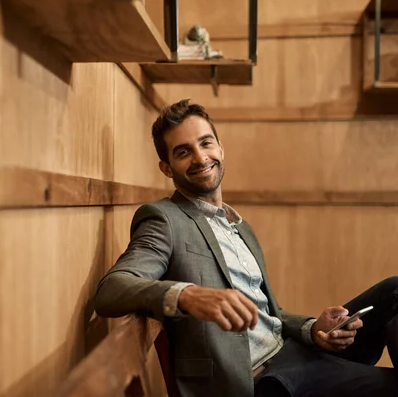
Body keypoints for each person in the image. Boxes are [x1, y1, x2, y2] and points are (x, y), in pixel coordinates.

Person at [94, 99, 398, 397]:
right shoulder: (164, 219)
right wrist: (186, 294)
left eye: (206, 143)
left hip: (295, 352)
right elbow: (112, 289)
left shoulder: (239, 226)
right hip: (261, 379)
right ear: (166, 167)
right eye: (184, 152)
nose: (200, 158)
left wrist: (312, 329)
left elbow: (271, 315)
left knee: (395, 290)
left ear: (220, 148)